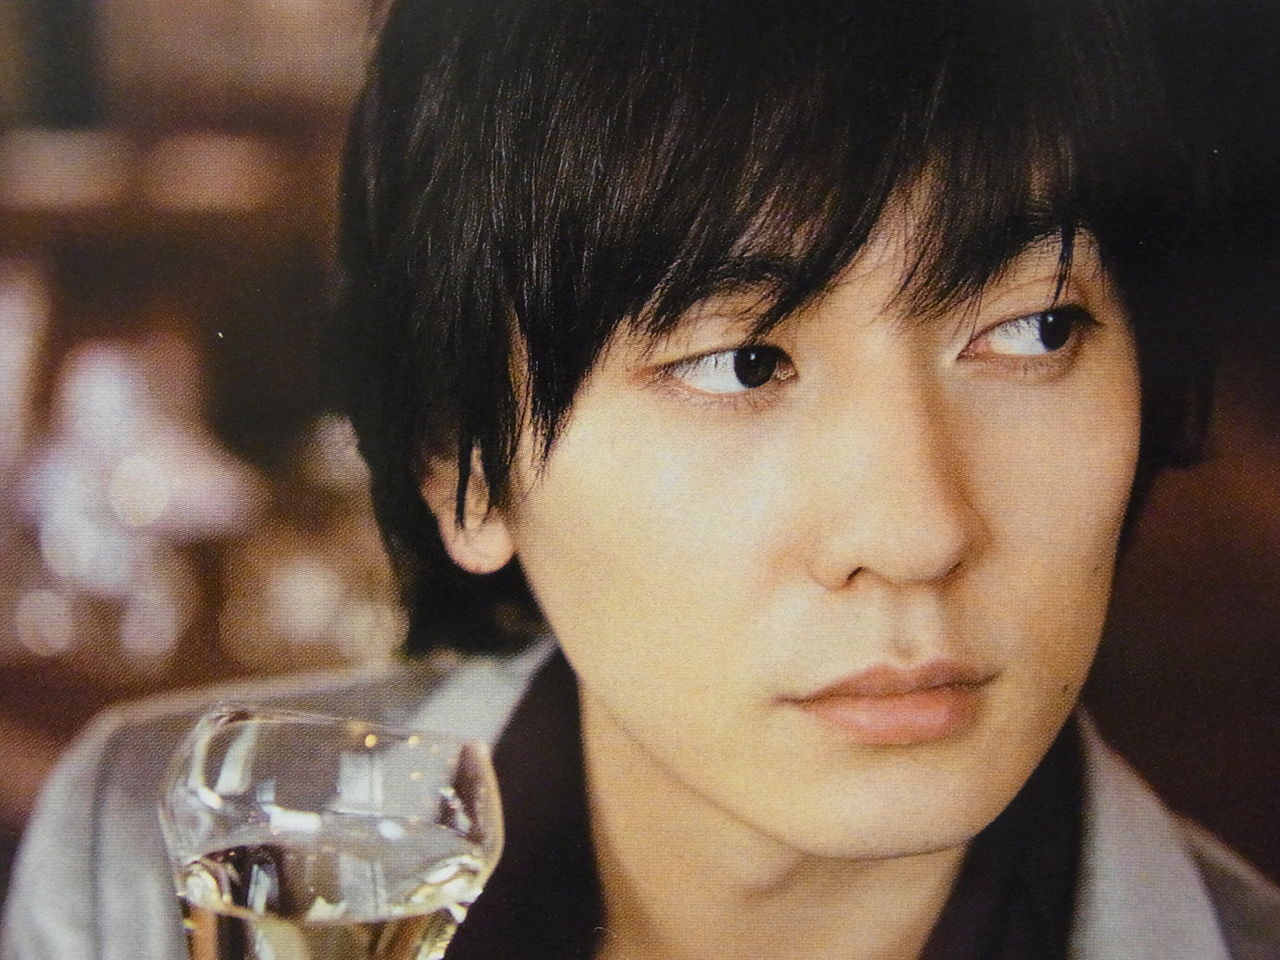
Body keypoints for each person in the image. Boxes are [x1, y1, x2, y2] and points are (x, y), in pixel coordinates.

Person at [5, 0, 1280, 957]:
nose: (914, 532)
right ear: (462, 467)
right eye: (740, 363)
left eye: (1032, 332)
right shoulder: (177, 873)